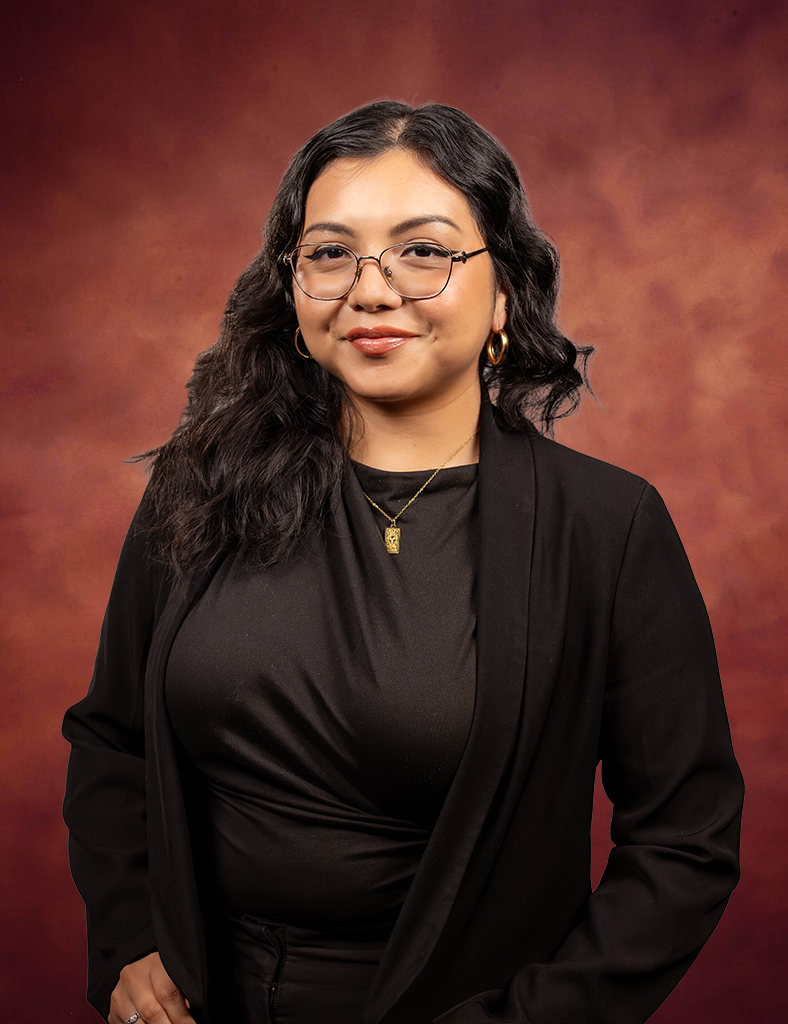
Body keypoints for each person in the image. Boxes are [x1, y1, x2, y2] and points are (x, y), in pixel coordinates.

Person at [63, 101, 743, 1024]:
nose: (370, 291)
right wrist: (130, 937)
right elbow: (113, 738)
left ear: (504, 291)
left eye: (423, 251)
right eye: (330, 253)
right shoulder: (202, 484)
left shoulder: (607, 526)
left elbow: (685, 842)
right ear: (293, 289)